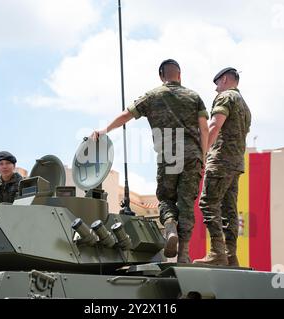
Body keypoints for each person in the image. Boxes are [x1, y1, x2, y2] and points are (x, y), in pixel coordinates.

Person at [91, 59, 209, 263]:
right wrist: (204, 155)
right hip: (192, 155)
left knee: (166, 200)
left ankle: (170, 225)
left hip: (168, 155)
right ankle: (184, 254)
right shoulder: (194, 97)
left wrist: (105, 130)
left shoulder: (153, 96)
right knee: (187, 203)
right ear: (179, 75)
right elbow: (204, 128)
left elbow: (126, 115)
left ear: (162, 76)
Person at [193, 67, 251, 266]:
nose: (216, 89)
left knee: (208, 204)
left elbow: (214, 125)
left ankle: (217, 253)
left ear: (224, 80)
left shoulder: (225, 97)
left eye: (217, 84)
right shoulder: (244, 105)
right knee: (229, 210)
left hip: (220, 160)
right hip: (236, 163)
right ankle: (230, 255)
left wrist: (202, 153)